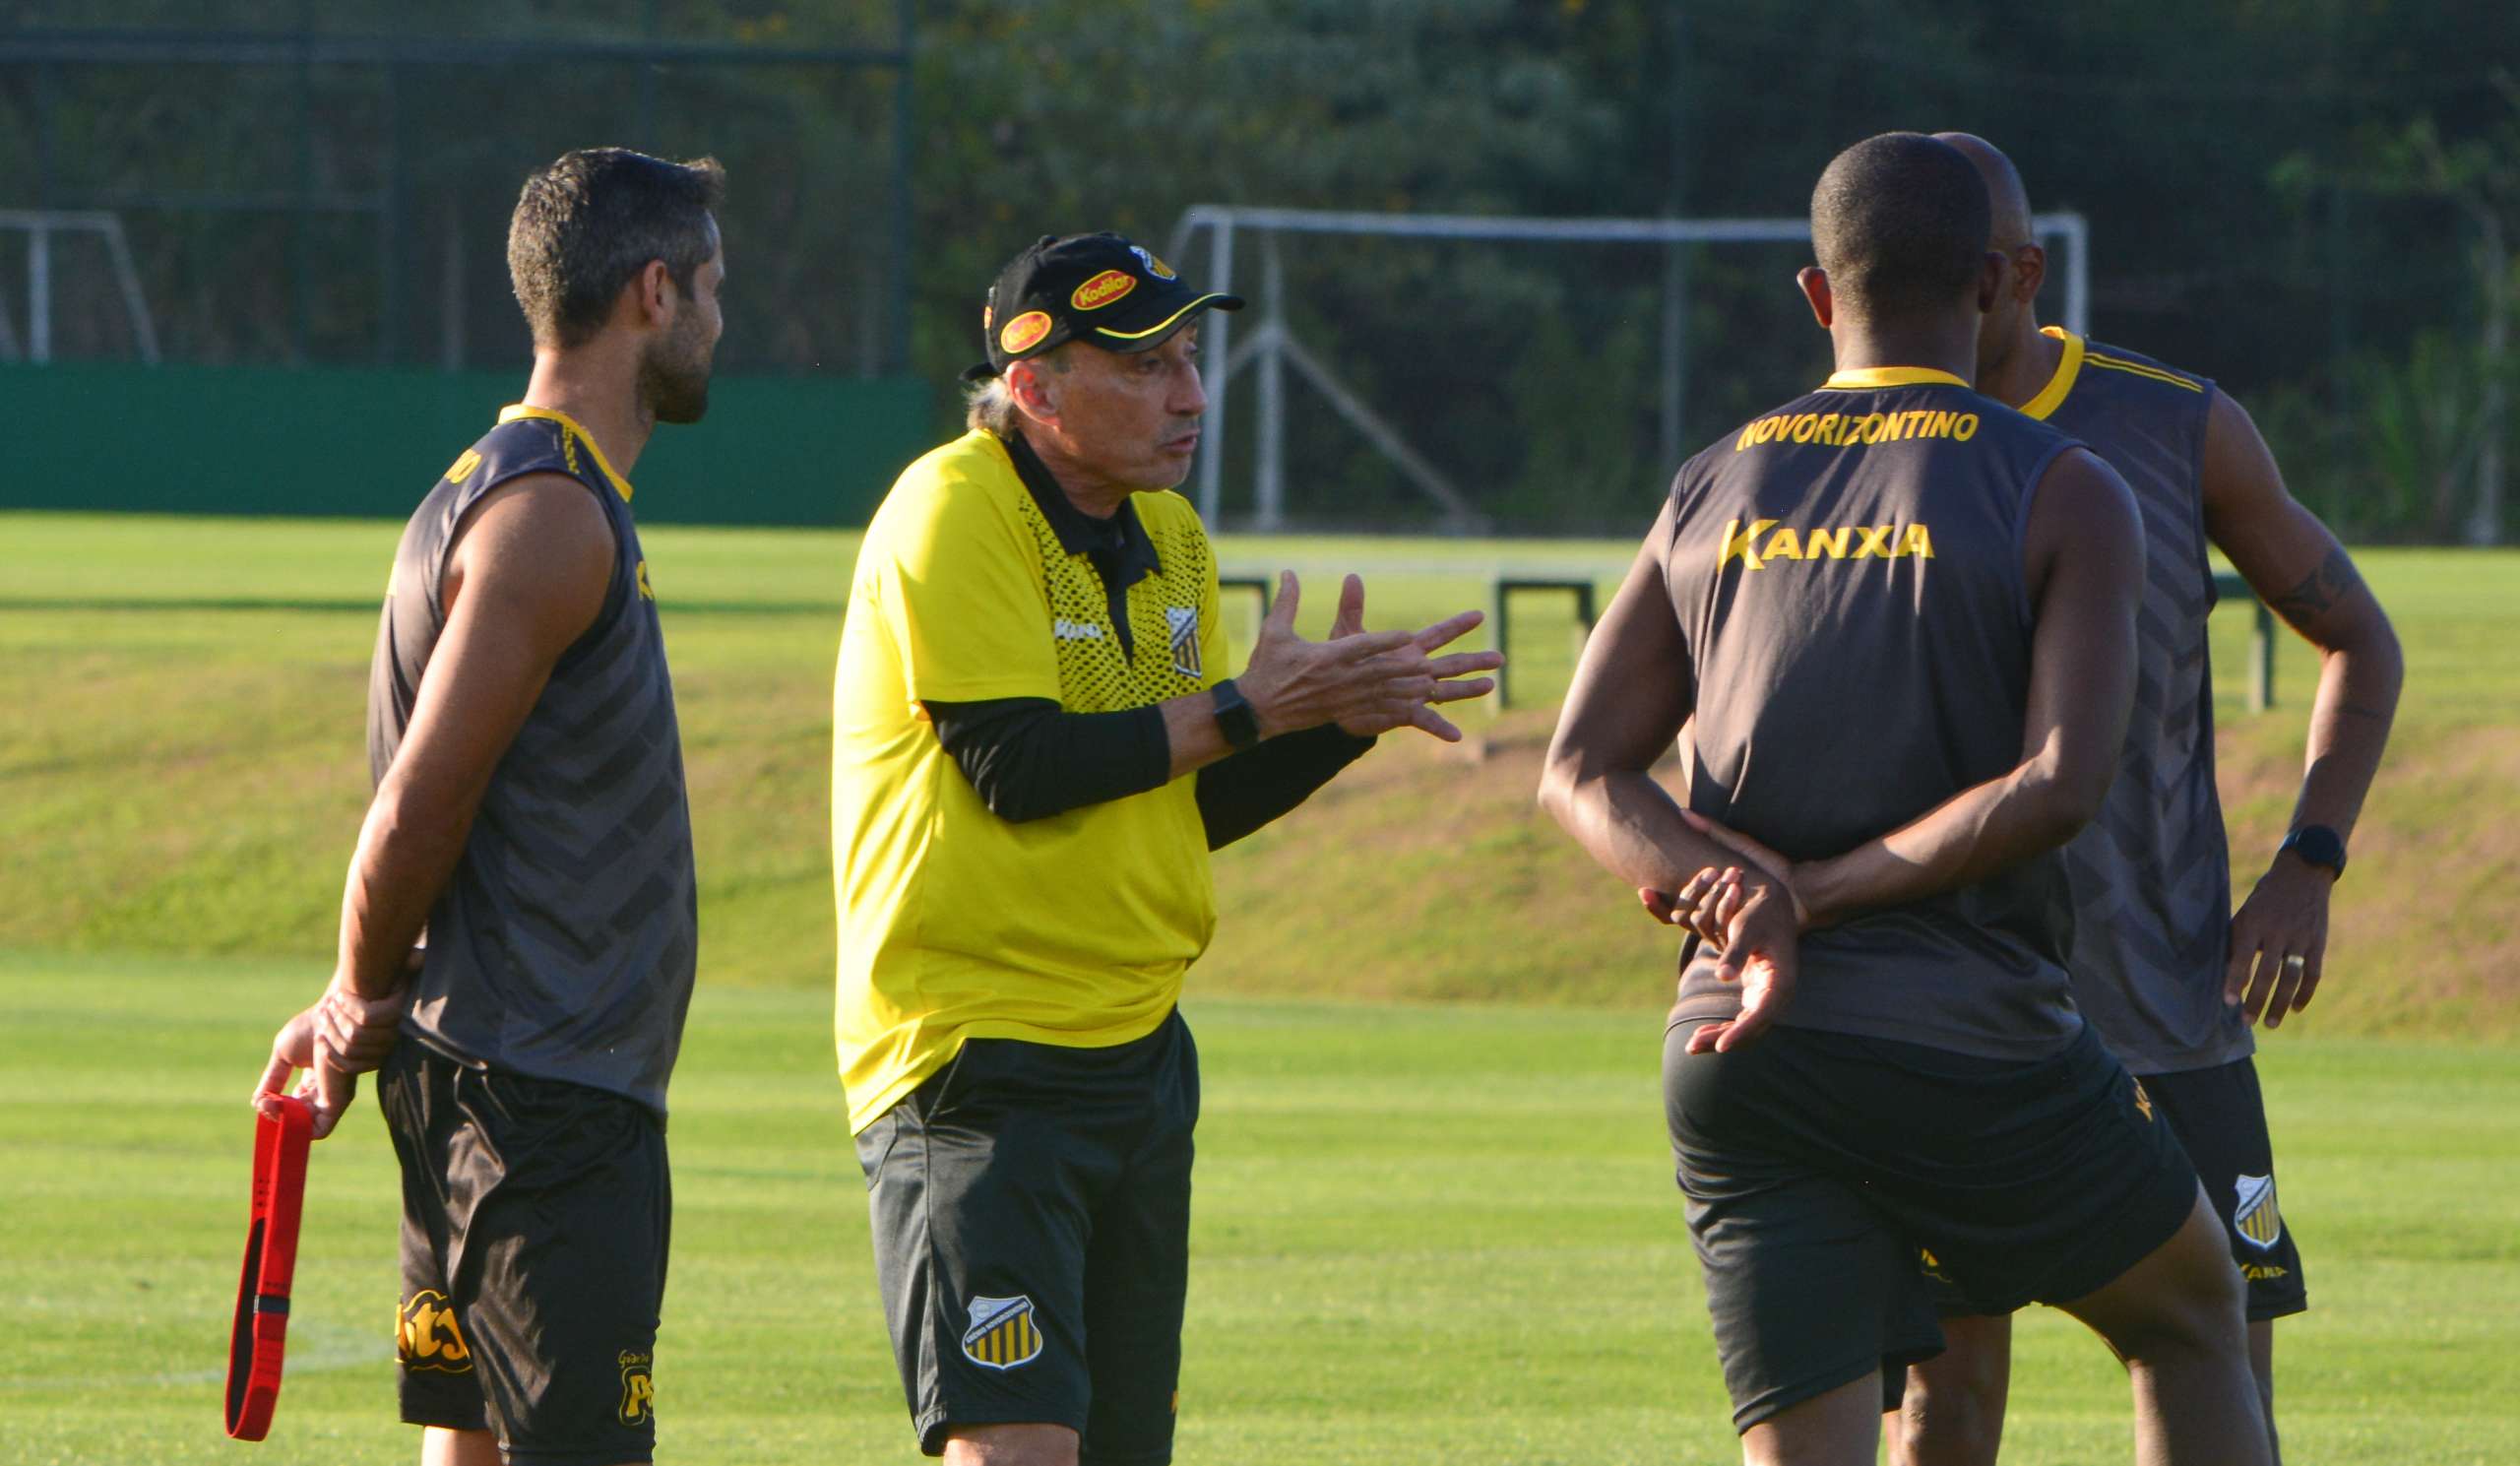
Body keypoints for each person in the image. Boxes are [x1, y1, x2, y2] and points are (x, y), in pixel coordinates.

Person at [1539, 132, 2273, 1466]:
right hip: (1970, 1039)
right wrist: (1816, 893)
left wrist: (1742, 894)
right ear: (1996, 285)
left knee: (1815, 1435)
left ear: (1817, 297)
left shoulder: (1715, 481)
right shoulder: (2066, 486)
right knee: (2188, 1312)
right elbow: (2059, 785)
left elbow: (1576, 770)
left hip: (1733, 1051)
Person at [831, 231, 1500, 1466]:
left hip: (1137, 1056)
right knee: (1019, 1443)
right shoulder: (952, 509)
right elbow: (1017, 769)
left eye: (1188, 357)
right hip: (976, 1061)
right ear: (1032, 389)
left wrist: (1329, 728)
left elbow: (1176, 797)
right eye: (1142, 365)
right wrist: (1253, 707)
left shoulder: (1170, 534)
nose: (1189, 394)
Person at [1865, 132, 2406, 1466]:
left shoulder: (2176, 422)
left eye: (1954, 283)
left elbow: (2362, 639)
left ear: (2016, 275)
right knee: (1947, 1400)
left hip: (2171, 1013)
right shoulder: (1859, 444)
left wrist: (2310, 861)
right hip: (1953, 1015)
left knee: (2218, 1362)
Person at [249, 147, 725, 1466]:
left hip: (489, 1089)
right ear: (651, 293)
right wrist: (352, 994)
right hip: (544, 1115)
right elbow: (415, 810)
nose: (718, 322)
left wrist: (373, 989)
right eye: (710, 289)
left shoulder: (484, 490)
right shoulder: (553, 519)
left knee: (464, 1449)